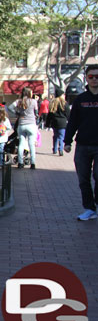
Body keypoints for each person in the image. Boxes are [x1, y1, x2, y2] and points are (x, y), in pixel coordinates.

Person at [64, 64, 98, 220]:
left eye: (97, 77)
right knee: (83, 178)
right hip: (83, 145)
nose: (94, 80)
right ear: (87, 78)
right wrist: (67, 141)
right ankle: (89, 208)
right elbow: (73, 122)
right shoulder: (80, 100)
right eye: (91, 77)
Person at [9, 87, 38, 169]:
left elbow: (10, 107)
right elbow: (36, 112)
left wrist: (17, 113)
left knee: (21, 143)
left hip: (22, 124)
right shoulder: (33, 101)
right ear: (29, 93)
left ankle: (20, 162)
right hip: (31, 124)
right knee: (31, 144)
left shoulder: (19, 101)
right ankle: (32, 163)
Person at [47, 89, 70, 156]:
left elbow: (50, 114)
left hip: (54, 122)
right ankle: (60, 149)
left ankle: (54, 149)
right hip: (62, 122)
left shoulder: (53, 103)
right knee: (61, 136)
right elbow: (68, 113)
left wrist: (48, 123)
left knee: (55, 136)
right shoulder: (64, 103)